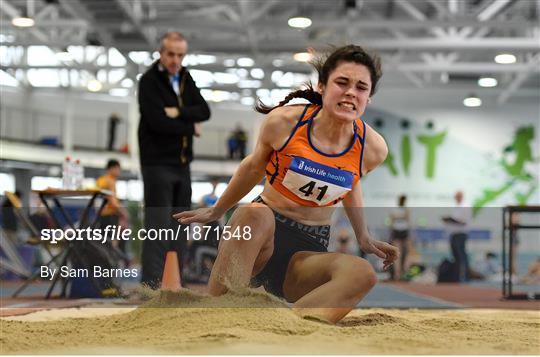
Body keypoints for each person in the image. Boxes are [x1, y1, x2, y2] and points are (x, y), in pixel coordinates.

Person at [174, 45, 398, 324]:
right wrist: (217, 210)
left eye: (361, 87)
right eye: (342, 82)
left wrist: (363, 236)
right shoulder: (285, 123)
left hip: (307, 251)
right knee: (252, 213)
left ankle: (286, 328)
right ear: (322, 86)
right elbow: (252, 167)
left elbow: (351, 183)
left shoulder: (373, 148)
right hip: (260, 235)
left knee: (363, 273)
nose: (351, 92)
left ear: (368, 98)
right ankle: (220, 317)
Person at [138, 31, 211, 288]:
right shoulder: (148, 81)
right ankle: (151, 286)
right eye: (171, 54)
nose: (176, 60)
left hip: (182, 166)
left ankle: (175, 284)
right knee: (157, 225)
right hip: (157, 164)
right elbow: (157, 122)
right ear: (161, 53)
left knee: (182, 222)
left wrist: (178, 111)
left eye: (180, 55)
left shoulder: (186, 78)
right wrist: (190, 127)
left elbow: (205, 110)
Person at [96, 159, 129, 266]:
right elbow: (112, 201)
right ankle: (110, 268)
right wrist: (123, 212)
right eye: (118, 168)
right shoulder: (109, 181)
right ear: (112, 168)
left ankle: (105, 267)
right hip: (110, 215)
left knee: (104, 241)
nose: (119, 171)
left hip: (102, 216)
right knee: (112, 243)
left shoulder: (101, 180)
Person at [442, 191, 471, 282]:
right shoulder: (456, 208)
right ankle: (457, 277)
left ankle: (465, 276)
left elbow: (463, 221)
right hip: (454, 234)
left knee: (462, 255)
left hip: (461, 234)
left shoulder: (465, 207)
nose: (456, 198)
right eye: (455, 197)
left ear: (461, 197)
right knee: (456, 257)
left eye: (457, 196)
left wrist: (453, 220)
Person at [389, 194, 411, 280]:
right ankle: (399, 273)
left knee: (399, 252)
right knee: (399, 253)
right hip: (400, 231)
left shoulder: (398, 210)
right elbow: (407, 220)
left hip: (400, 231)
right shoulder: (404, 210)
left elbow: (392, 221)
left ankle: (400, 272)